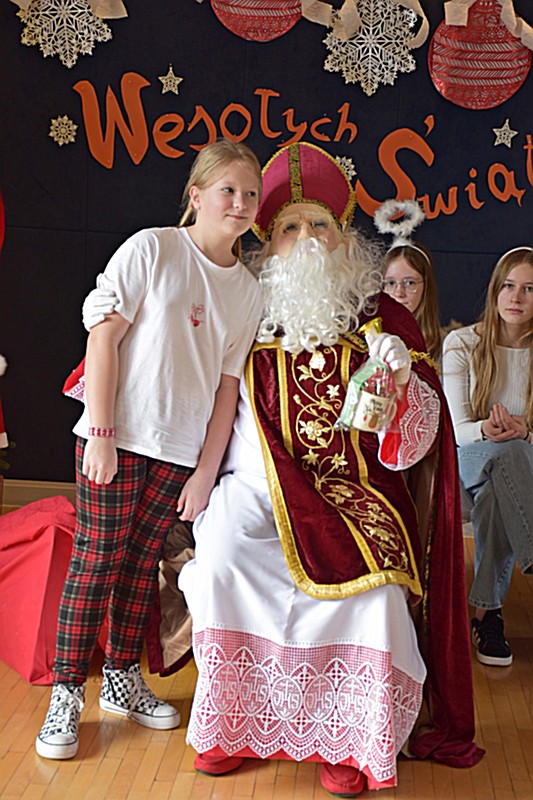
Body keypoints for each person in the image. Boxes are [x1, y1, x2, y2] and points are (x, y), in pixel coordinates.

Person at [176, 142, 482, 795]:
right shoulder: (241, 304)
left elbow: (419, 444)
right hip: (255, 487)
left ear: (344, 237)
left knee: (373, 597)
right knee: (223, 555)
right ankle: (232, 725)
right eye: (290, 226)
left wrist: (402, 385)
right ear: (268, 242)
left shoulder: (380, 318)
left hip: (357, 494)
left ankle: (346, 739)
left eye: (320, 224)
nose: (307, 239)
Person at [35, 138, 264, 760]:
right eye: (228, 189)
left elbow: (227, 389)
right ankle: (65, 694)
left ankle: (121, 677)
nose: (240, 203)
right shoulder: (153, 248)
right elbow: (103, 340)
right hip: (118, 438)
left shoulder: (247, 290)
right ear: (197, 194)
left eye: (250, 193)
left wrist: (205, 472)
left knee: (141, 568)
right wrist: (101, 432)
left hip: (180, 452)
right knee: (97, 559)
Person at [442, 246, 533, 668]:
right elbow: (456, 429)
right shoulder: (462, 343)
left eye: (530, 289)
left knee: (501, 485)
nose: (517, 297)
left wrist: (525, 432)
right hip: (469, 459)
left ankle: (487, 615)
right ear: (495, 290)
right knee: (506, 452)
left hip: (521, 470)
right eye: (509, 286)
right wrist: (487, 430)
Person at [375, 200, 443, 364]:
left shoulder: (445, 346)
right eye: (391, 283)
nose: (399, 293)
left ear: (426, 287)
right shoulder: (368, 341)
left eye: (410, 283)